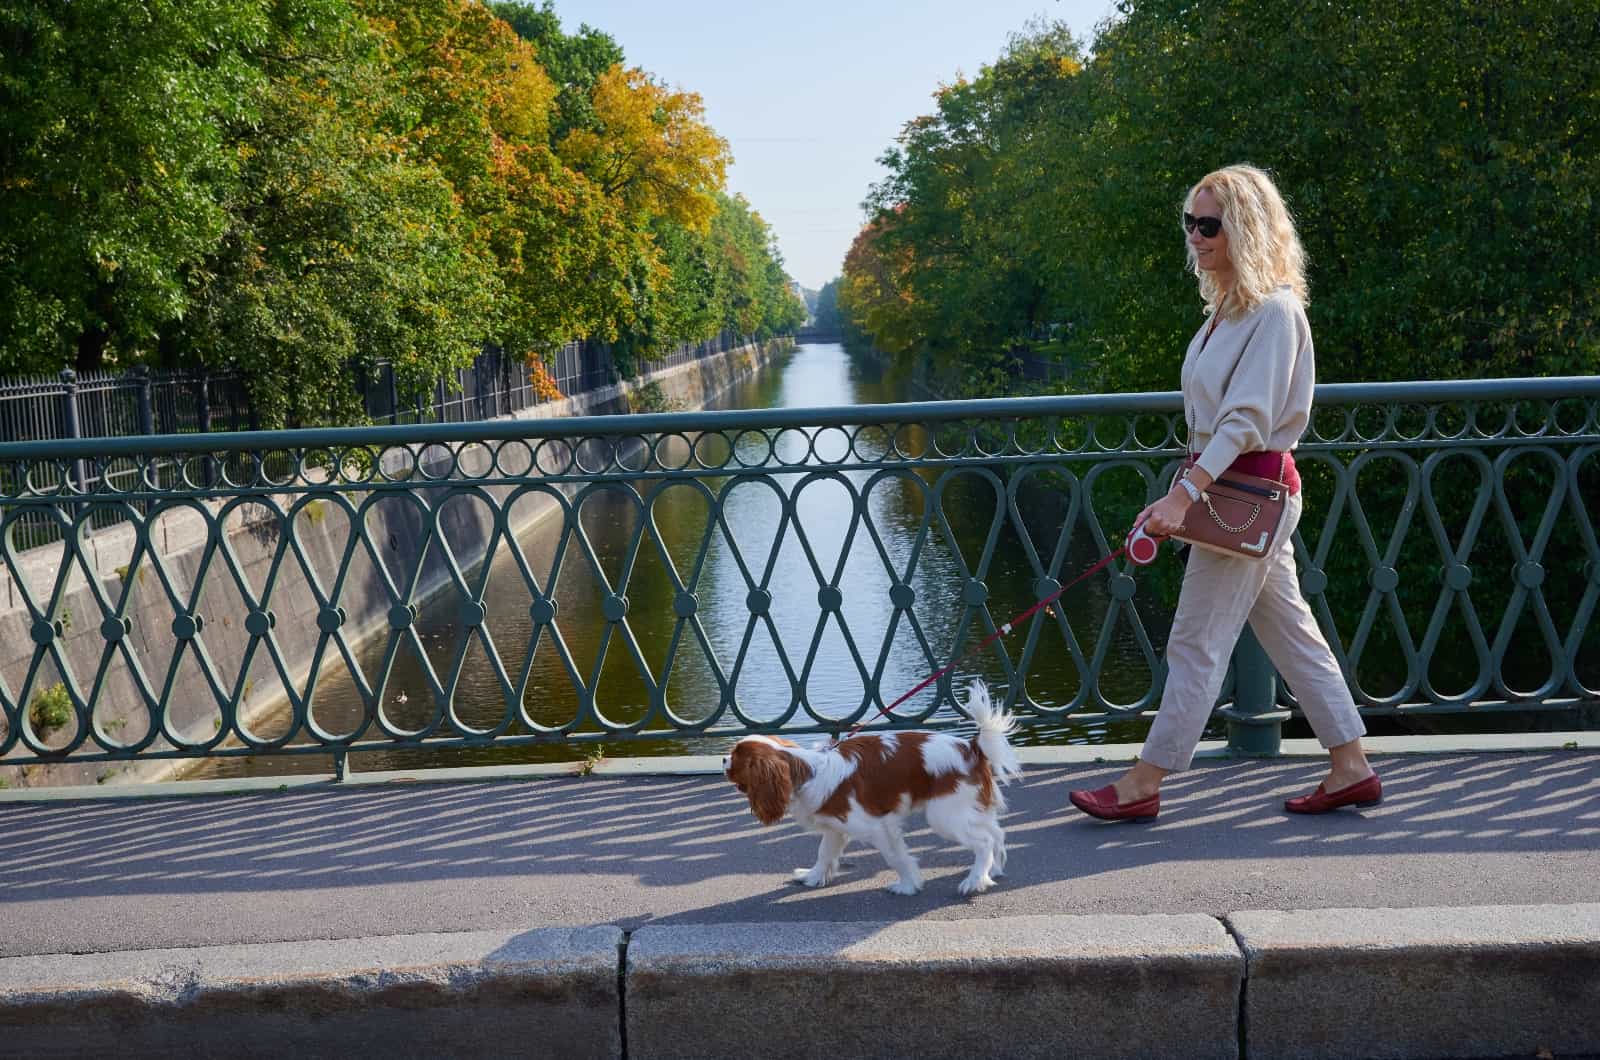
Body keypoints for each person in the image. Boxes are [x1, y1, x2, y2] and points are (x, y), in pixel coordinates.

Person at [1067, 164, 1379, 822]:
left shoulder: (1275, 311)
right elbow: (1214, 422)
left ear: (1246, 228)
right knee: (1291, 633)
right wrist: (1184, 491)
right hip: (1237, 493)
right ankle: (1351, 765)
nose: (1196, 236)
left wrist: (1185, 496)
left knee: (1195, 641)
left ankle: (1144, 781)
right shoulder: (1228, 313)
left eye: (1209, 225)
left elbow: (1243, 421)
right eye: (1191, 223)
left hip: (1246, 495)